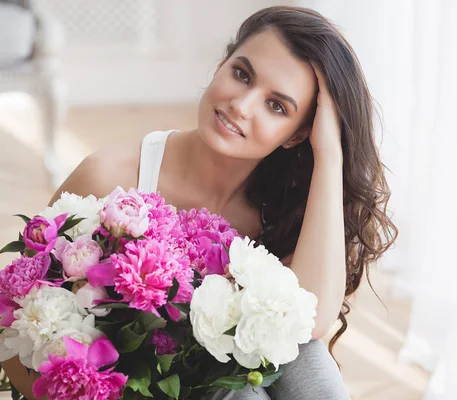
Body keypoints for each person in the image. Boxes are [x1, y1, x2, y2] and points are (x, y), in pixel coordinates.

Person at [1, 6, 397, 399]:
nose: (241, 106)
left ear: (297, 136)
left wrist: (329, 155)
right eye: (241, 74)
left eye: (277, 106)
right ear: (221, 64)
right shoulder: (110, 177)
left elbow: (309, 323)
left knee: (308, 358)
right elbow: (10, 324)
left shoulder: (282, 207)